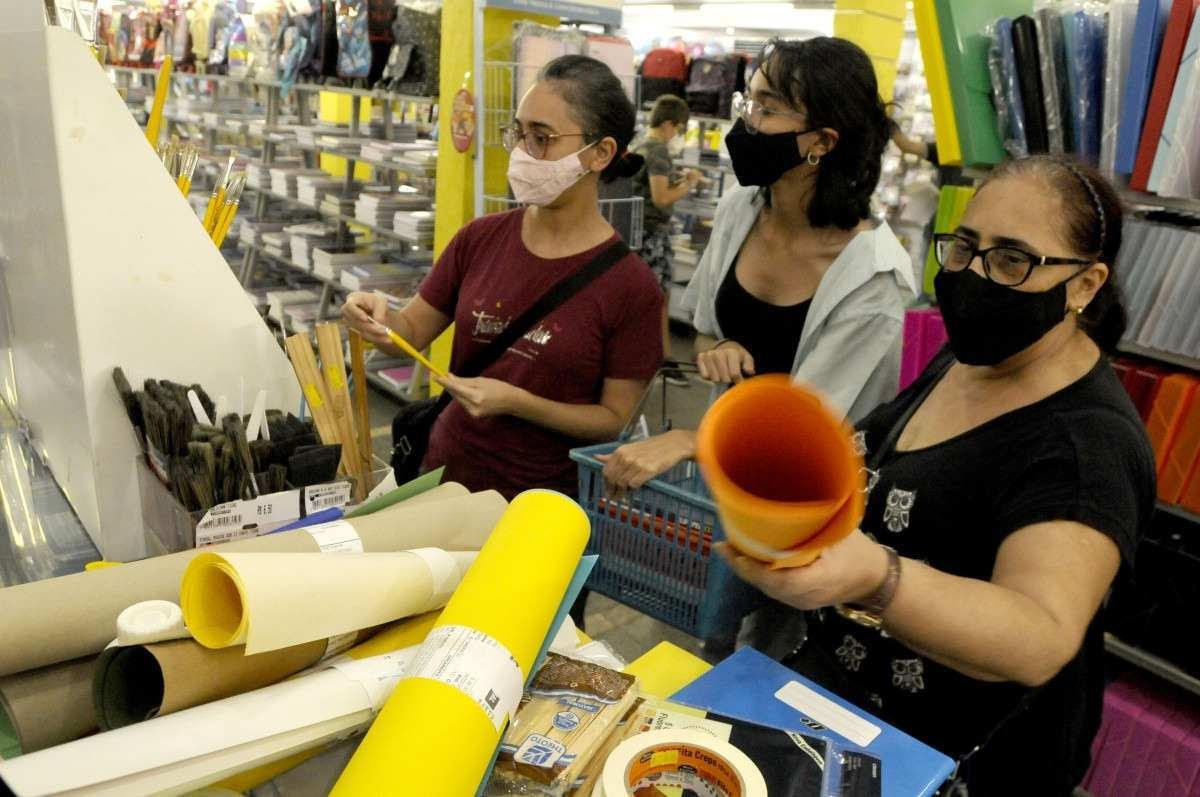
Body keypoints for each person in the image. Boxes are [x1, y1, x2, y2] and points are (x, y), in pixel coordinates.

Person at [719, 155, 1155, 796]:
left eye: (1013, 259)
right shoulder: (974, 357)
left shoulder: (1087, 445)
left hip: (959, 759)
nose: (975, 276)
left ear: (1086, 285)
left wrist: (875, 576)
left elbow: (1040, 635)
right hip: (847, 709)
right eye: (965, 248)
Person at [341, 54, 663, 501]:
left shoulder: (632, 288)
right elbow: (412, 329)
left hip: (540, 506)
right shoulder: (480, 239)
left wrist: (515, 401)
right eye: (518, 133)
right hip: (442, 480)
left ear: (601, 153)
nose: (521, 152)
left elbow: (613, 418)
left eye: (541, 138)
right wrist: (377, 317)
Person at [601, 37, 915, 491]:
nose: (747, 121)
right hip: (726, 473)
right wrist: (719, 347)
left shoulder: (873, 278)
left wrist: (692, 440)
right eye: (748, 102)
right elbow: (707, 330)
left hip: (804, 500)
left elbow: (805, 428)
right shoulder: (741, 209)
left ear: (822, 142)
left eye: (767, 110)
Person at [630, 94, 706, 386]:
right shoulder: (658, 150)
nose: (679, 135)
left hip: (637, 233)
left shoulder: (639, 144)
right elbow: (661, 199)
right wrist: (688, 184)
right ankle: (663, 360)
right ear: (670, 123)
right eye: (680, 128)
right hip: (652, 235)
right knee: (659, 298)